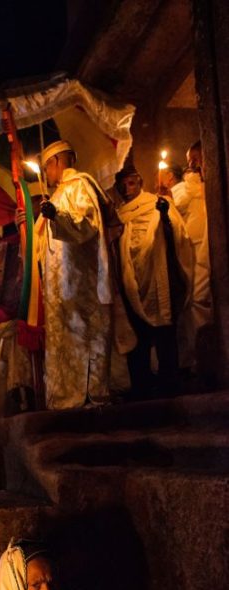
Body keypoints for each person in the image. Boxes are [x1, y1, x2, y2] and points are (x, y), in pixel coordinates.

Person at [33, 140, 113, 409]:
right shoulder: (56, 195)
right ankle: (65, 396)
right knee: (65, 340)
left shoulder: (80, 186)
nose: (46, 174)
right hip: (60, 287)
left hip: (78, 281)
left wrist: (57, 216)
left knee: (83, 334)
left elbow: (85, 225)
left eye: (47, 168)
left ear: (56, 161)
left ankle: (88, 394)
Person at [115, 166, 194, 398]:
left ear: (139, 182)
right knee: (137, 336)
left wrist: (164, 218)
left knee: (164, 332)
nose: (126, 189)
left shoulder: (156, 204)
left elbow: (179, 238)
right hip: (132, 283)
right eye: (122, 185)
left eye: (130, 183)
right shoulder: (121, 214)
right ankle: (142, 386)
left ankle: (170, 383)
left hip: (159, 277)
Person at [171, 140, 212, 368]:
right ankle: (200, 358)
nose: (192, 165)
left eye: (195, 160)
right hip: (196, 253)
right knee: (196, 301)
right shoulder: (188, 187)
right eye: (189, 162)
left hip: (209, 248)